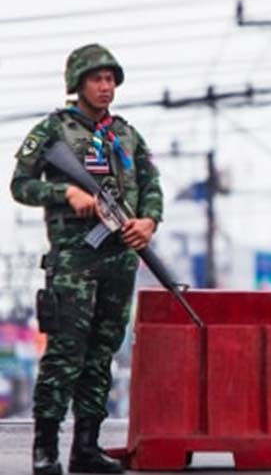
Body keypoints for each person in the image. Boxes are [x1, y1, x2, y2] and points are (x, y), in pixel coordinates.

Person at [11, 44, 163, 475]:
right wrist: (65, 192)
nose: (105, 87)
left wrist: (148, 221)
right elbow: (21, 185)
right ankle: (45, 450)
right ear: (77, 83)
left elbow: (151, 184)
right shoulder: (53, 130)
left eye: (110, 79)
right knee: (65, 355)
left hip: (119, 260)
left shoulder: (127, 135)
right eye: (97, 79)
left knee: (101, 355)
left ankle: (86, 448)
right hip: (74, 261)